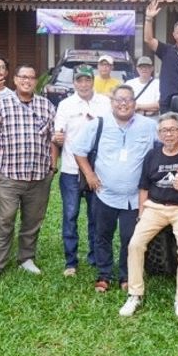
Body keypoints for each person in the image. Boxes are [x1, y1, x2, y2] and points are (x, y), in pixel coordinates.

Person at [70, 84, 157, 292]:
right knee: (102, 235)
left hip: (135, 197)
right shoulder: (98, 124)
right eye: (119, 99)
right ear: (112, 103)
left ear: (135, 103)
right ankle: (104, 274)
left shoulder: (149, 125)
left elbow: (173, 140)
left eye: (128, 99)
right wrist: (90, 175)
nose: (124, 103)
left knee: (130, 238)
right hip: (104, 194)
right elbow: (79, 150)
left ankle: (126, 276)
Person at [119, 112, 178, 319]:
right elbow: (143, 186)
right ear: (159, 134)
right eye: (164, 130)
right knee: (135, 244)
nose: (168, 134)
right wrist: (142, 213)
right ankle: (135, 294)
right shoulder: (152, 155)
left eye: (173, 130)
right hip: (155, 207)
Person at [0, 64, 58, 281]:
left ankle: (26, 258)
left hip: (39, 176)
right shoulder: (3, 105)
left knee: (33, 220)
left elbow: (54, 138)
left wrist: (53, 165)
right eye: (22, 77)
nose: (27, 81)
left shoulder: (46, 106)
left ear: (36, 81)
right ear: (15, 80)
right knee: (4, 220)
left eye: (31, 77)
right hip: (9, 175)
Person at [52, 65, 111, 276]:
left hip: (98, 170)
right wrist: (57, 138)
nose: (83, 84)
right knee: (70, 215)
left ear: (92, 80)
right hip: (70, 169)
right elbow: (57, 133)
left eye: (87, 80)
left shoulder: (105, 103)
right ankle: (70, 262)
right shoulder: (65, 105)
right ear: (74, 82)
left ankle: (96, 257)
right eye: (79, 80)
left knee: (96, 216)